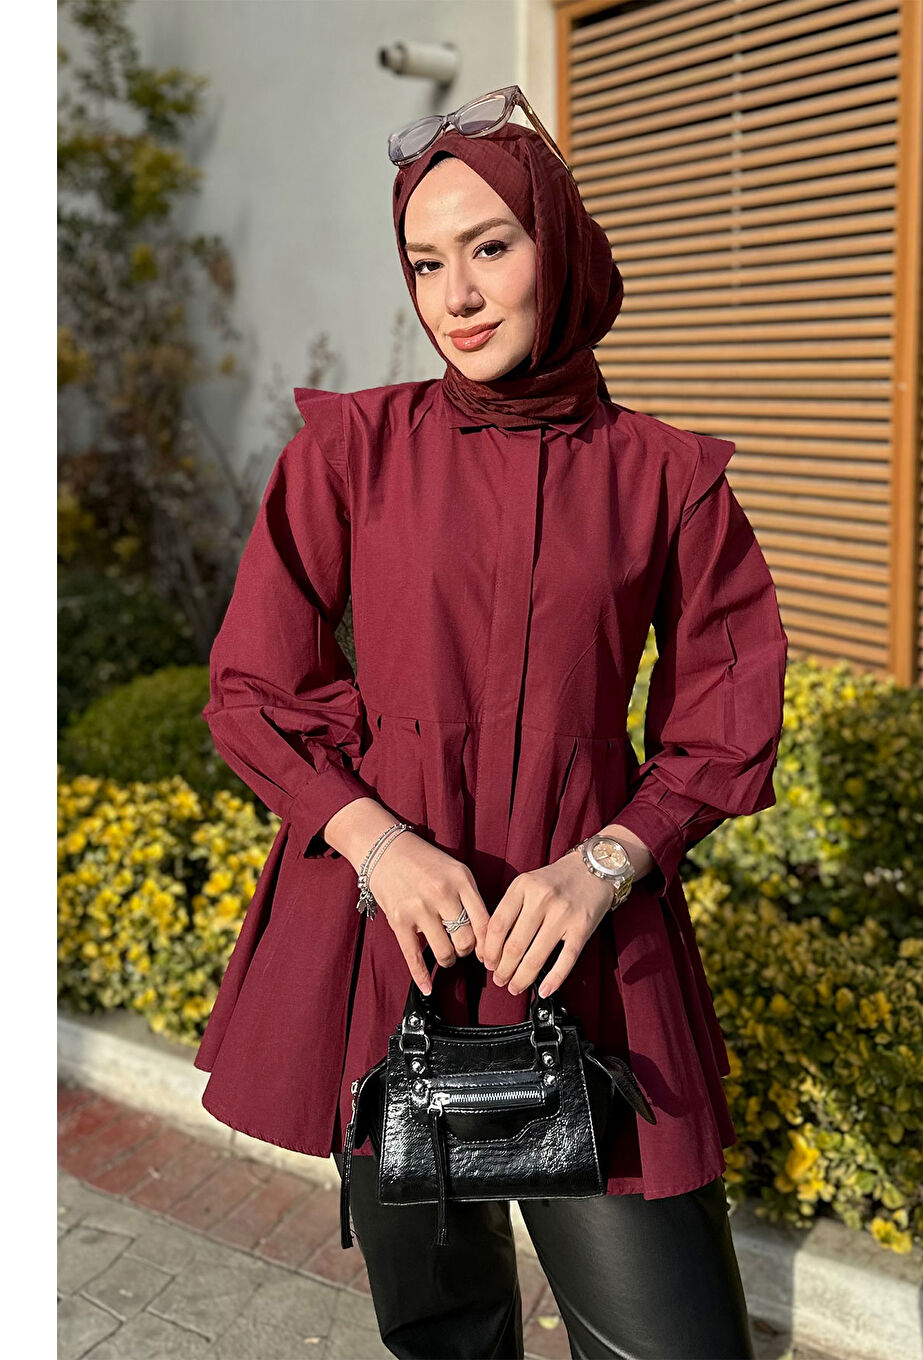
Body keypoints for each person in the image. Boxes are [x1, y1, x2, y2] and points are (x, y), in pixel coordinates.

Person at [195, 93, 788, 1360]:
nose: (456, 295)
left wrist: (608, 861)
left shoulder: (666, 478)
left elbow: (723, 720)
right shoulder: (350, 453)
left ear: (555, 247)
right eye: (425, 262)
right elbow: (253, 689)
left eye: (490, 246)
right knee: (447, 1336)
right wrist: (376, 843)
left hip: (587, 955)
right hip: (391, 950)